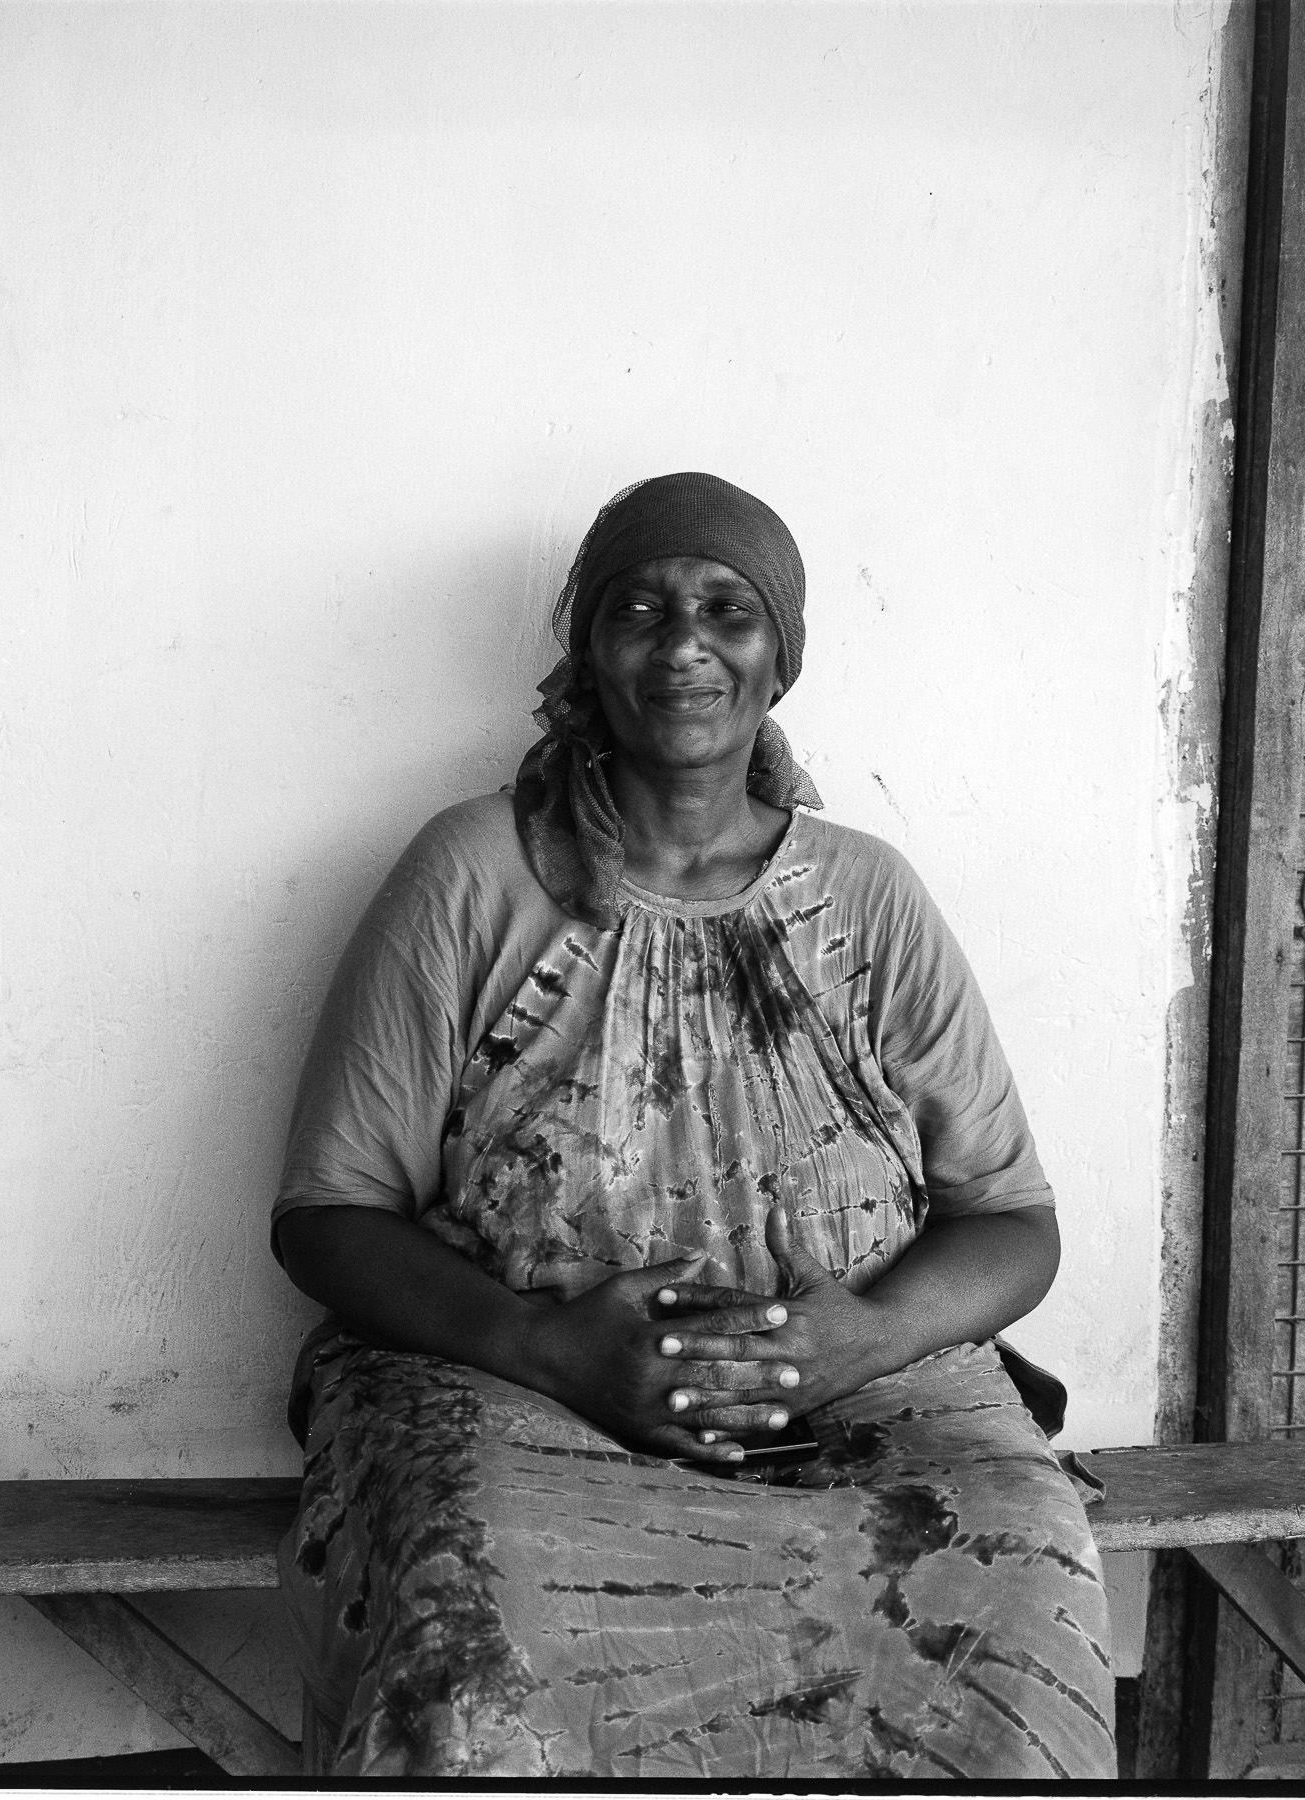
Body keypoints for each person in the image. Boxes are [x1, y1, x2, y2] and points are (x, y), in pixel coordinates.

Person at [271, 472, 1118, 1779]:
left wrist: (866, 1337)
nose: (683, 646)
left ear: (782, 657)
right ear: (588, 652)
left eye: (729, 611)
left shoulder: (869, 898)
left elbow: (1010, 1221)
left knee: (1016, 1580)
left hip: (861, 1400)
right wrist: (548, 1349)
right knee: (477, 1627)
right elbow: (329, 1215)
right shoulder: (470, 872)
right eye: (639, 610)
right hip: (514, 1398)